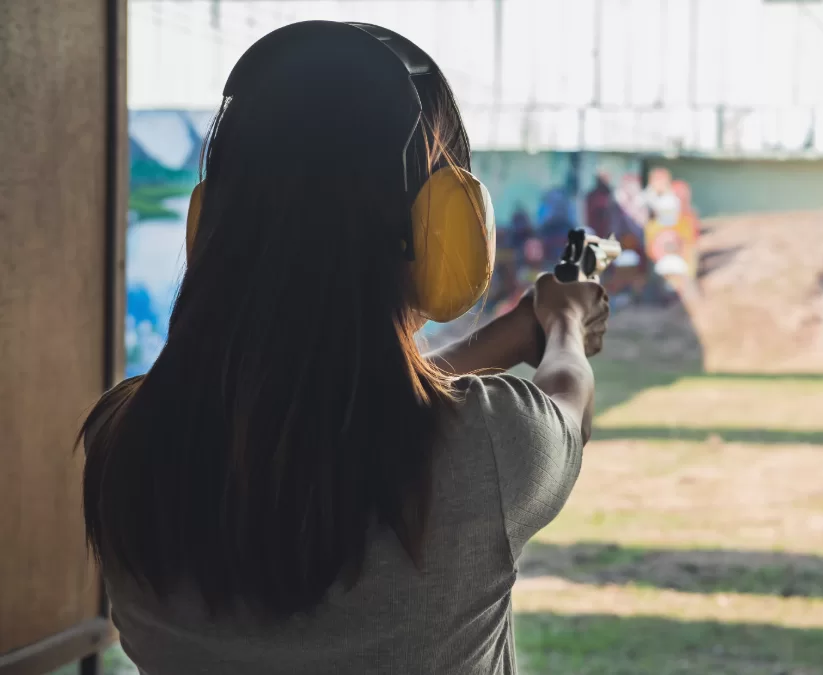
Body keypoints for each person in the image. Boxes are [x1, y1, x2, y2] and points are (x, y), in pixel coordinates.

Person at [78, 21, 608, 675]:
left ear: (209, 224)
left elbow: (315, 413)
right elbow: (567, 403)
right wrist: (563, 325)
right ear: (436, 225)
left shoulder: (121, 446)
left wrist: (502, 339)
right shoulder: (491, 446)